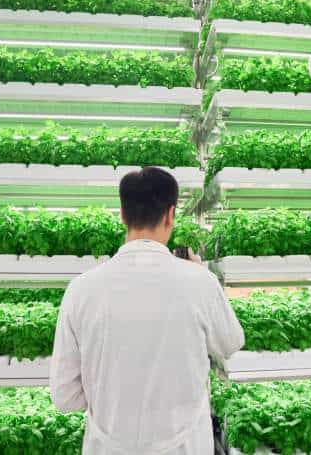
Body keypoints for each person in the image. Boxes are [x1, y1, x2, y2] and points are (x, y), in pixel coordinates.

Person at [50, 166, 245, 454]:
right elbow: (230, 343)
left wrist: (111, 402)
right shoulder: (199, 282)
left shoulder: (81, 290)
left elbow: (65, 396)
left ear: (122, 213)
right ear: (170, 214)